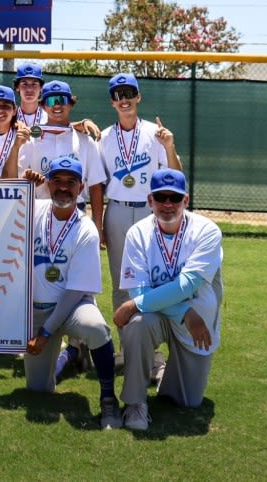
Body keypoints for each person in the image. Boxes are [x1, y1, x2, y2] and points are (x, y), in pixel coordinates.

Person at [113, 169, 223, 431]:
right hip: (181, 316)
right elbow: (138, 292)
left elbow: (189, 284)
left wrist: (133, 304)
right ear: (150, 201)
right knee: (138, 323)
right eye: (161, 197)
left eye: (174, 198)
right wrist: (185, 311)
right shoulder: (137, 233)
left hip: (197, 324)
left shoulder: (207, 231)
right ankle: (135, 403)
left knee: (187, 401)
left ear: (186, 201)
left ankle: (162, 372)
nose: (167, 204)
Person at [23, 156, 122, 429]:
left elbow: (75, 291)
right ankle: (69, 356)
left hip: (72, 307)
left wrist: (45, 334)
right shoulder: (32, 209)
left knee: (96, 328)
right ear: (48, 184)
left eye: (71, 182)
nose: (63, 188)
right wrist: (21, 184)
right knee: (38, 389)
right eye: (57, 181)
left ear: (81, 187)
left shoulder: (87, 230)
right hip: (36, 309)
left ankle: (108, 400)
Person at [99, 72, 182, 378]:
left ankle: (155, 355)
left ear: (138, 97)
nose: (124, 99)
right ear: (112, 101)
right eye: (118, 95)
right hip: (118, 210)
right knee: (122, 281)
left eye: (129, 93)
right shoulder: (104, 137)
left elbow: (176, 175)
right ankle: (128, 349)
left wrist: (170, 146)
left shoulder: (155, 133)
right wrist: (99, 222)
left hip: (151, 214)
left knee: (154, 281)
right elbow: (98, 183)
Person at [18, 80, 106, 229]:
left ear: (71, 104)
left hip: (77, 209)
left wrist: (98, 224)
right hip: (40, 209)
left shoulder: (84, 140)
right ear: (43, 106)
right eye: (51, 100)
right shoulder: (31, 138)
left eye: (62, 100)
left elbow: (95, 185)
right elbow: (19, 179)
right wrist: (28, 179)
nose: (57, 105)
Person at [13, 63, 48, 130]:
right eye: (24, 84)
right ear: (17, 87)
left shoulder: (49, 117)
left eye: (34, 84)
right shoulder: (9, 118)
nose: (29, 89)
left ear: (41, 88)